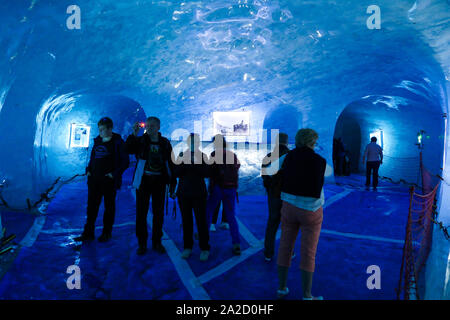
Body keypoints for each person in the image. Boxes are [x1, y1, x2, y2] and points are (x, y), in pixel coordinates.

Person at [277, 128, 326, 300]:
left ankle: (282, 288)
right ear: (312, 142)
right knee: (308, 252)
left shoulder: (287, 157)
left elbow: (272, 172)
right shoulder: (320, 160)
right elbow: (321, 183)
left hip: (289, 207)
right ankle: (307, 295)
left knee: (285, 247)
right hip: (311, 210)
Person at [126, 117, 176, 255]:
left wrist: (172, 182)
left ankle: (157, 242)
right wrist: (134, 134)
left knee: (158, 213)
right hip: (144, 181)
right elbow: (128, 149)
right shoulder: (141, 140)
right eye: (148, 126)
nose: (149, 128)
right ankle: (142, 244)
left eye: (153, 125)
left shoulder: (165, 143)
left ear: (158, 127)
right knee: (141, 213)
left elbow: (170, 163)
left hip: (159, 182)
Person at [75, 117, 129, 243]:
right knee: (91, 207)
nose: (100, 132)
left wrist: (114, 174)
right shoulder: (98, 141)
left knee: (109, 207)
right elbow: (93, 158)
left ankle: (106, 233)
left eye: (103, 129)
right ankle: (88, 233)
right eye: (99, 129)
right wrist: (88, 170)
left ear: (110, 129)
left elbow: (125, 161)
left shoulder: (118, 142)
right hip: (94, 180)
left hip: (109, 181)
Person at [173, 133, 211, 261]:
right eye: (191, 142)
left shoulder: (203, 156)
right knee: (186, 221)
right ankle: (187, 247)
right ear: (188, 143)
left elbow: (207, 173)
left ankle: (204, 248)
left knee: (201, 222)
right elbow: (176, 172)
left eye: (196, 142)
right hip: (184, 193)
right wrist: (185, 163)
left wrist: (195, 164)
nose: (194, 144)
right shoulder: (182, 155)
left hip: (199, 194)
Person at [205, 134, 241, 255]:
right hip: (231, 188)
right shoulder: (232, 155)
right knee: (231, 216)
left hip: (218, 188)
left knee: (208, 212)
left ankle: (204, 239)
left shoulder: (215, 154)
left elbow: (210, 171)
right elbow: (237, 167)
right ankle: (236, 243)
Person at [261, 133, 290, 262]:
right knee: (288, 226)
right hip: (288, 196)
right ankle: (289, 252)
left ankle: (268, 253)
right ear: (287, 142)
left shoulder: (268, 157)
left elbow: (264, 177)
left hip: (273, 195)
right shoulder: (292, 157)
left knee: (272, 223)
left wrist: (271, 187)